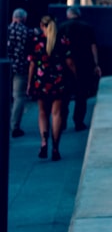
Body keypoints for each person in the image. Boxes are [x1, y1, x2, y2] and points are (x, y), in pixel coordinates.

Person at [27, 15, 74, 161]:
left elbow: (32, 64)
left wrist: (29, 83)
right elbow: (70, 62)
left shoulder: (36, 41)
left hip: (41, 81)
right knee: (56, 114)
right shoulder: (63, 40)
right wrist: (75, 78)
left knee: (42, 113)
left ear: (42, 25)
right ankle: (55, 147)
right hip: (59, 82)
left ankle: (44, 141)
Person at [60, 6, 101, 131]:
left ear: (68, 15)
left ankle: (61, 123)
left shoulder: (61, 27)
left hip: (64, 66)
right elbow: (93, 46)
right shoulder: (87, 27)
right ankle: (78, 122)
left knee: (64, 96)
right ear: (79, 15)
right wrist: (96, 64)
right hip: (84, 64)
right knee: (81, 95)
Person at [7, 8, 32, 137]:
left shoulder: (5, 30)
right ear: (24, 18)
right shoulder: (27, 32)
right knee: (19, 97)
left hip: (5, 68)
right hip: (21, 68)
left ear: (13, 17)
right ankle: (14, 126)